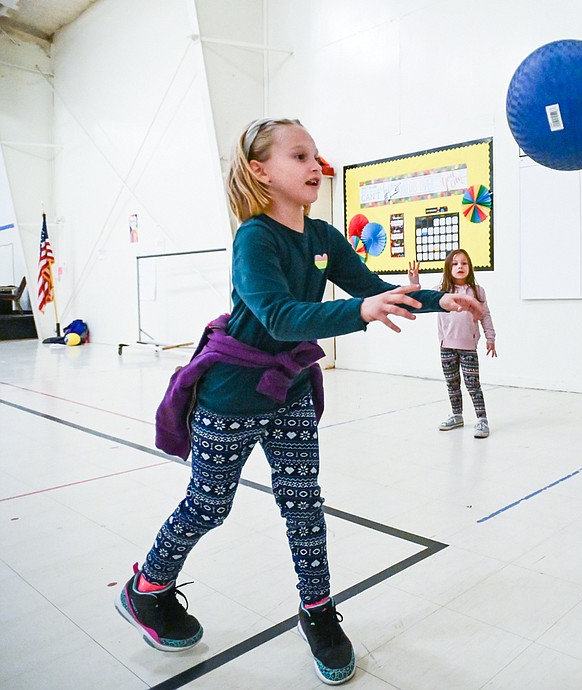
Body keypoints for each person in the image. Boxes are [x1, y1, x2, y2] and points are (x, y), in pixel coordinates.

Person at [116, 118, 482, 685]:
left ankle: (317, 613)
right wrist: (360, 314)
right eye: (299, 155)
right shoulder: (254, 238)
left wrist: (446, 301)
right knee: (209, 506)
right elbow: (281, 317)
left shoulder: (323, 238)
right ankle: (147, 589)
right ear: (261, 171)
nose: (315, 165)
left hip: (288, 391)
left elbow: (374, 288)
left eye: (316, 156)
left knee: (304, 508)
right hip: (232, 393)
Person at [408, 249, 496, 438]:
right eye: (455, 264)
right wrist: (414, 283)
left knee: (472, 384)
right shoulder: (442, 290)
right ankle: (457, 415)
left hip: (468, 346)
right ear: (449, 268)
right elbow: (422, 299)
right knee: (452, 383)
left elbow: (485, 315)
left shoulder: (477, 291)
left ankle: (482, 419)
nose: (460, 267)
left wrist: (491, 338)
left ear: (470, 267)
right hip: (446, 345)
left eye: (464, 263)